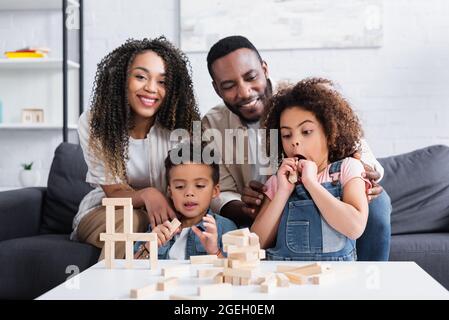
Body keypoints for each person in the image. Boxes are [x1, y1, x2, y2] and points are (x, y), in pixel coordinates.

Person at [202, 35, 391, 261]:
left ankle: (372, 281)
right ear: (217, 89)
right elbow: (219, 189)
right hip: (269, 202)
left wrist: (359, 175)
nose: (244, 92)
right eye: (229, 86)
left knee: (378, 204)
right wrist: (243, 206)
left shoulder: (299, 100)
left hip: (330, 190)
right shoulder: (212, 124)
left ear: (264, 69)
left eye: (251, 77)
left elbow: (356, 145)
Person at [71, 37, 201, 260]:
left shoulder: (183, 128)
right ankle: (115, 291)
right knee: (133, 220)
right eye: (140, 77)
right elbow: (113, 192)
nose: (151, 88)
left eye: (163, 82)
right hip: (106, 212)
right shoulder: (95, 123)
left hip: (166, 214)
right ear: (122, 79)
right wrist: (148, 194)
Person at [251, 78, 369, 260]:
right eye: (286, 135)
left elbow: (355, 228)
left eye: (306, 132)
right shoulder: (279, 181)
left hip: (335, 280)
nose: (294, 142)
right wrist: (283, 192)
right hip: (286, 278)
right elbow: (255, 244)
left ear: (329, 133)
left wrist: (311, 184)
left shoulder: (347, 168)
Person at [134, 143, 237, 259]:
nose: (189, 193)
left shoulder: (225, 228)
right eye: (179, 186)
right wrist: (148, 247)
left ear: (215, 191)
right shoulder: (160, 226)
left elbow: (234, 273)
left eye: (199, 185)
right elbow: (130, 270)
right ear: (170, 192)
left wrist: (215, 252)